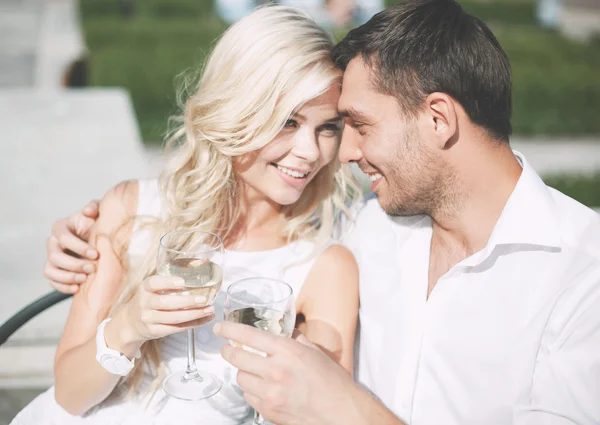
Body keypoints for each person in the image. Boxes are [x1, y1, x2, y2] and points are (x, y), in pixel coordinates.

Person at [44, 1, 600, 424]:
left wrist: (341, 403)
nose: (336, 154)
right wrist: (85, 252)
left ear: (437, 119)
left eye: (346, 125)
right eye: (289, 122)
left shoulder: (582, 273)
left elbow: (314, 370)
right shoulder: (373, 224)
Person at [13, 6, 361, 424]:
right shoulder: (132, 210)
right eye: (288, 121)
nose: (310, 151)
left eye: (328, 128)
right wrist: (128, 327)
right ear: (235, 111)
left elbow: (325, 413)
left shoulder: (321, 265)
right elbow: (69, 396)